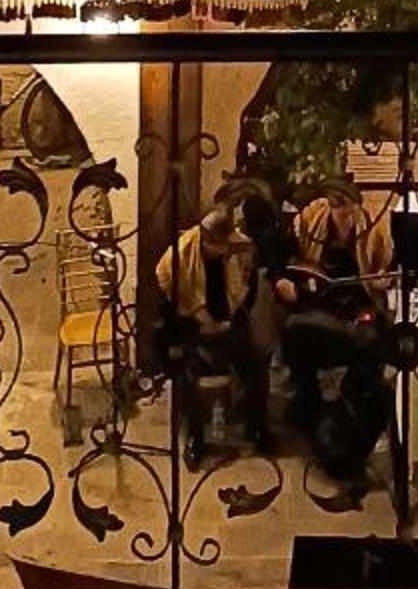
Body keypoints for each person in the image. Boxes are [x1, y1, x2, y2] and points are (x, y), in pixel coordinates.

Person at [155, 203, 271, 466]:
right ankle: (195, 437)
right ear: (207, 242)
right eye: (221, 246)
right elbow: (171, 300)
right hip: (192, 326)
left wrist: (232, 322)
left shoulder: (237, 252)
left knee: (256, 362)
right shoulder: (181, 256)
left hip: (228, 323)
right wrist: (199, 322)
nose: (226, 250)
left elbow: (248, 290)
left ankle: (256, 427)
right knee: (187, 372)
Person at [276, 185, 393, 418]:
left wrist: (382, 279)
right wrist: (284, 280)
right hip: (320, 300)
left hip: (359, 302)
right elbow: (285, 258)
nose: (348, 221)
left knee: (370, 340)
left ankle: (355, 400)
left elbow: (386, 266)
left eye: (352, 214)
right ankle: (307, 397)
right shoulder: (311, 222)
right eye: (342, 215)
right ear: (331, 210)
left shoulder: (373, 226)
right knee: (296, 331)